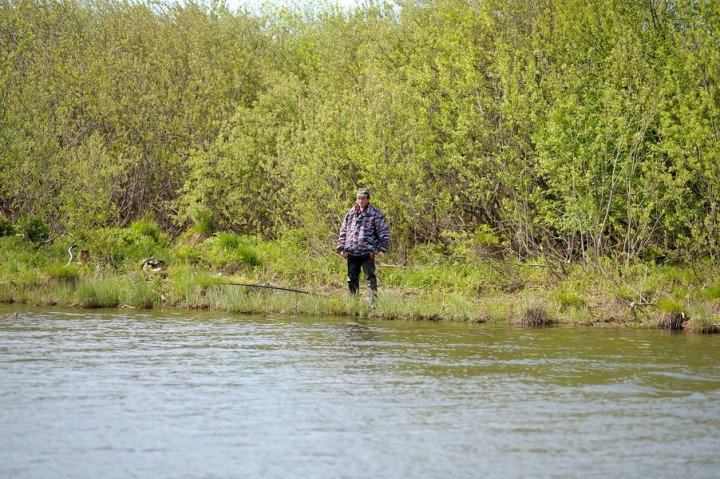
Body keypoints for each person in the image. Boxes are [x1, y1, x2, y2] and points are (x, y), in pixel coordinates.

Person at [337, 187, 390, 301]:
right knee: (351, 279)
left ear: (368, 199)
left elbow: (384, 233)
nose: (361, 201)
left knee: (370, 278)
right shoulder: (350, 213)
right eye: (359, 198)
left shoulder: (375, 214)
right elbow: (343, 231)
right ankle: (353, 303)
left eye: (363, 198)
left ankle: (373, 303)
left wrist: (379, 249)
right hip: (351, 252)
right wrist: (342, 248)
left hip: (367, 253)